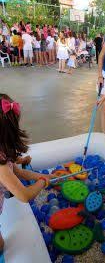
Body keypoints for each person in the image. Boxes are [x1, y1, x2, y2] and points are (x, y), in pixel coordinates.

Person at [0, 93, 57, 253]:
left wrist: (42, 176)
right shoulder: (1, 166)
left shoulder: (4, 150)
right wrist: (42, 183)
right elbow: (24, 196)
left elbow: (17, 172)